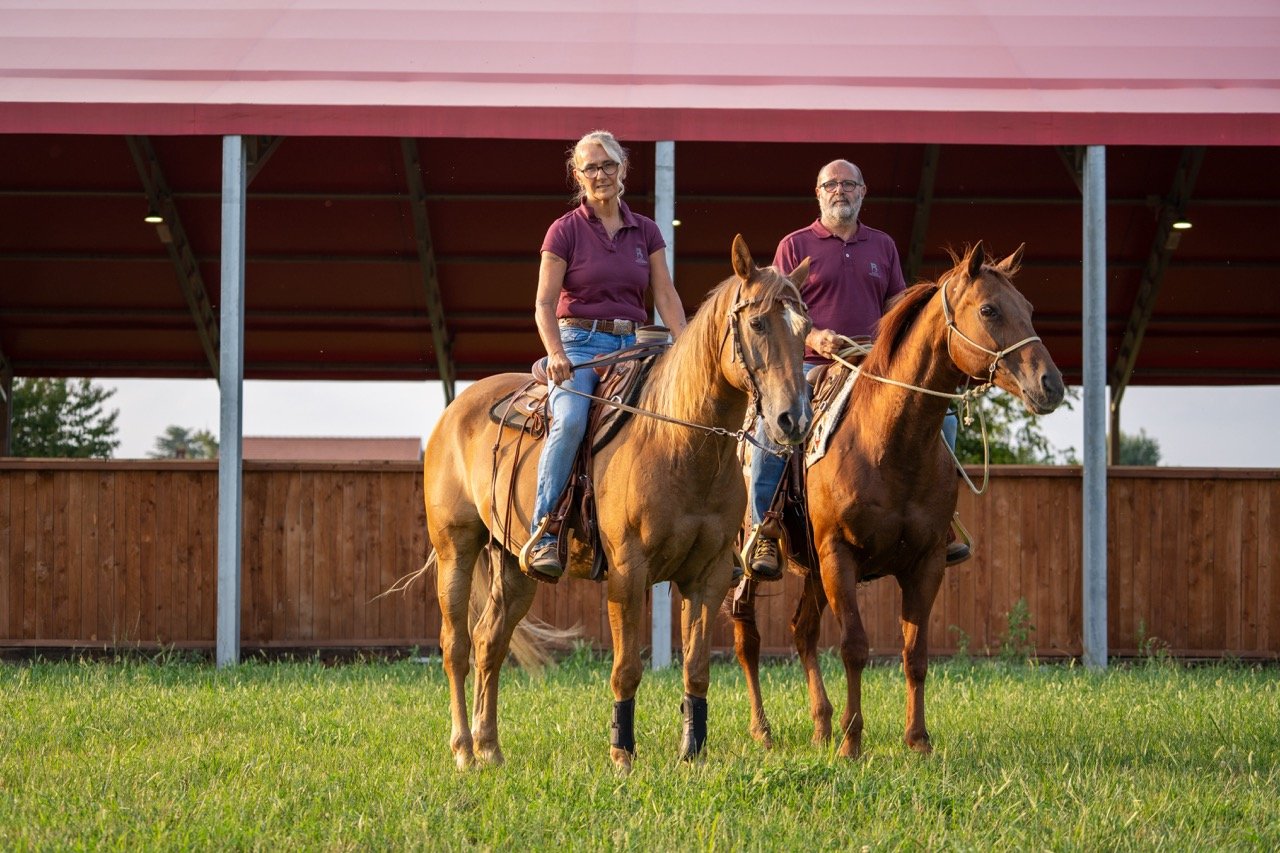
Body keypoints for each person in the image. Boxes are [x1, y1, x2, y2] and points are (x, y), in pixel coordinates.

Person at [747, 159, 968, 579]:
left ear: (863, 192)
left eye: (849, 184)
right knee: (770, 429)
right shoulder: (794, 245)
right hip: (813, 366)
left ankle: (944, 522)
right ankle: (764, 527)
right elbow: (779, 313)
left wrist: (894, 349)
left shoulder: (881, 245)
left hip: (874, 368)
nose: (840, 191)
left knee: (947, 419)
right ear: (818, 193)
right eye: (831, 184)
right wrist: (815, 338)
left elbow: (897, 309)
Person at [524, 130, 687, 580]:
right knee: (573, 418)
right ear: (578, 175)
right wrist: (554, 352)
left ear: (622, 170)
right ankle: (547, 527)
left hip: (636, 345)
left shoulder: (647, 230)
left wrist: (687, 343)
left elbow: (665, 293)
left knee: (685, 412)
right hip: (579, 345)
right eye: (590, 167)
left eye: (608, 165)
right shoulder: (565, 230)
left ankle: (700, 532)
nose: (600, 175)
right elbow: (543, 304)